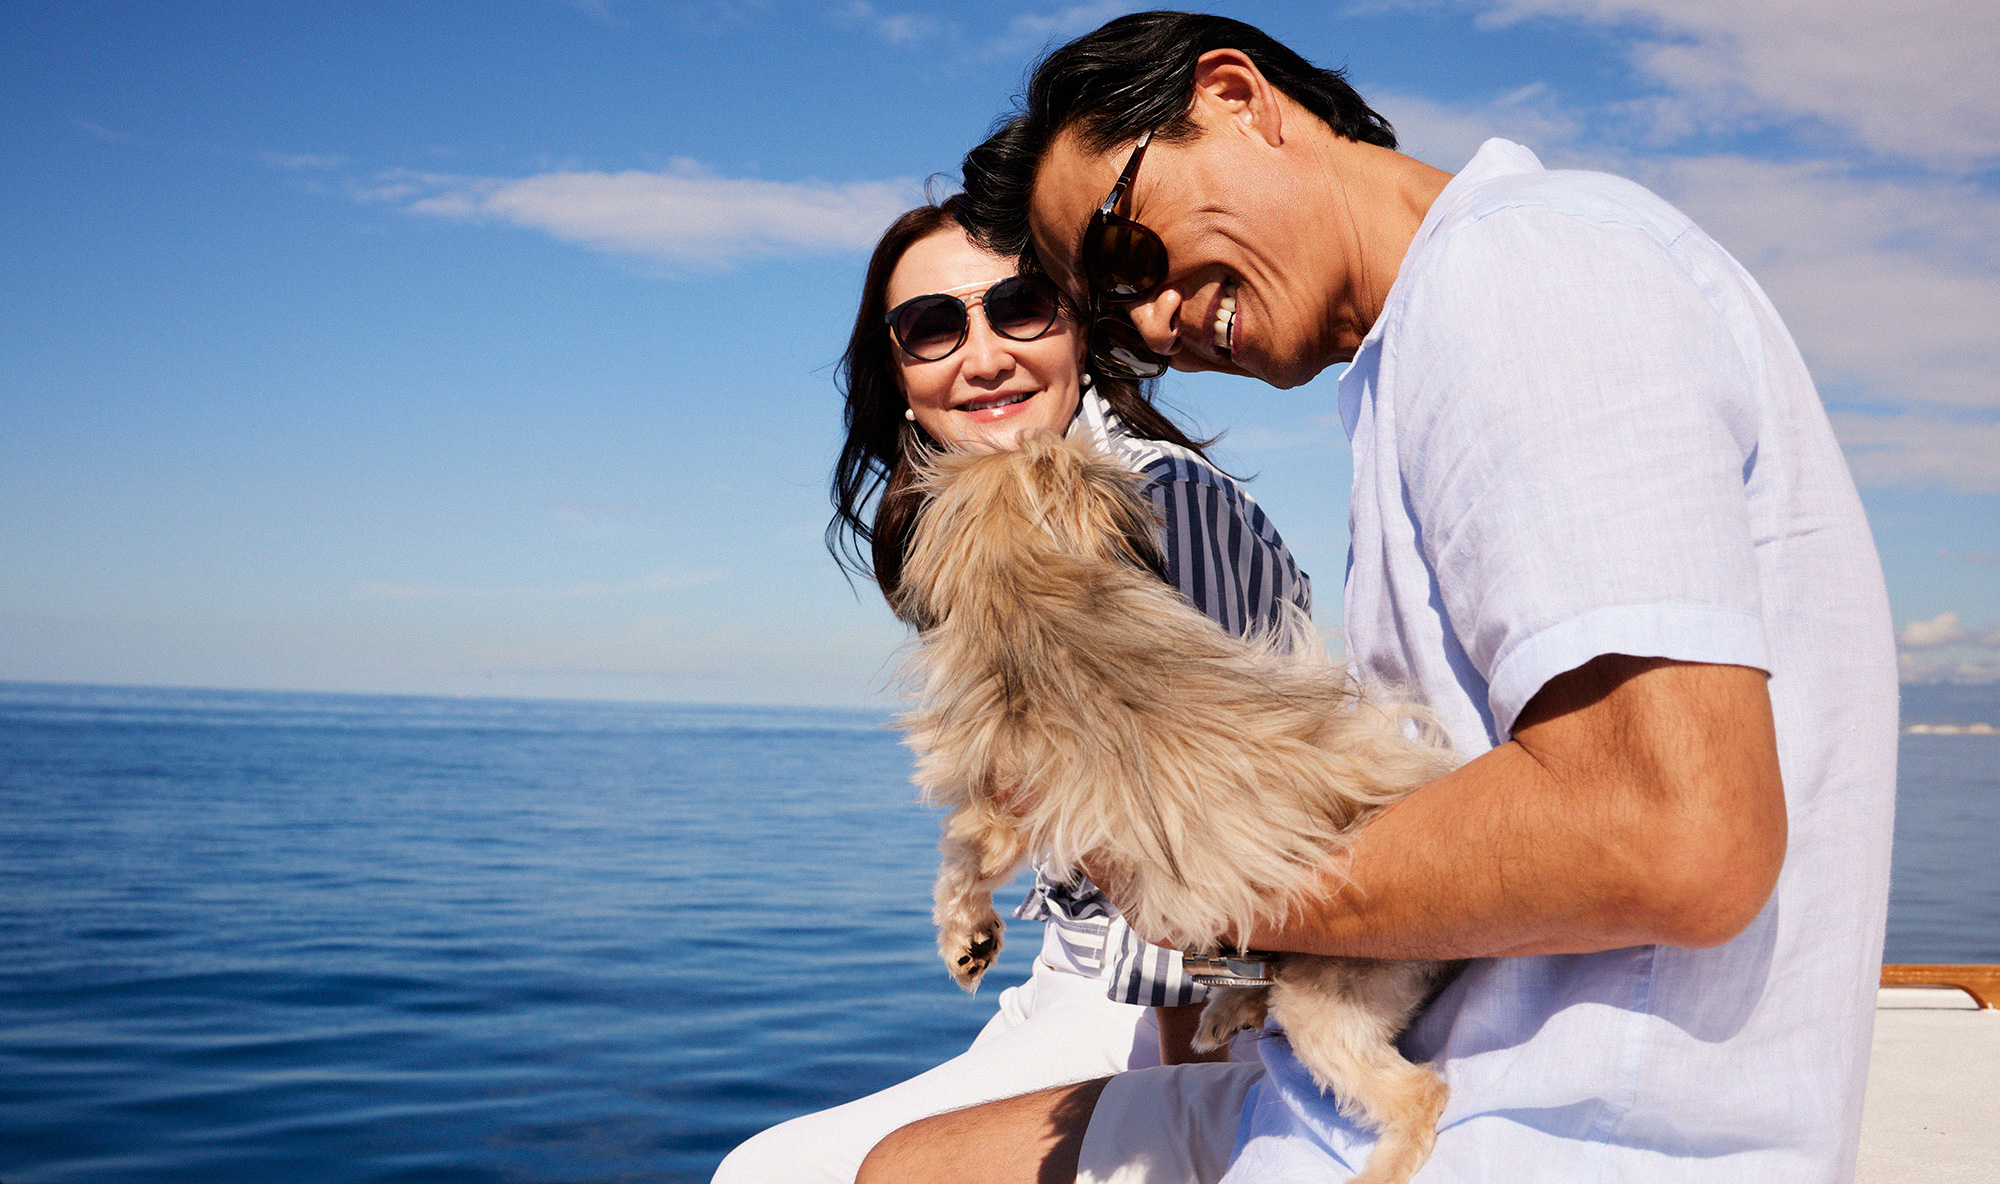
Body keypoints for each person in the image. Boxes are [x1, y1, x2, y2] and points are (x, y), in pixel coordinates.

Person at [858, 12, 1897, 1184]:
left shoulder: (1523, 276)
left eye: (1127, 257)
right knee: (909, 1164)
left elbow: (1673, 830)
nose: (1145, 321)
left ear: (1237, 99)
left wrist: (1186, 877)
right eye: (1105, 311)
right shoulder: (1426, 345)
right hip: (1387, 1074)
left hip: (1541, 1132)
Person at [711, 197, 1310, 1184]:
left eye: (1019, 306)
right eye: (933, 327)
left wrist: (1212, 1106)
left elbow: (1215, 842)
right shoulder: (997, 529)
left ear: (1078, 329)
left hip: (1206, 1004)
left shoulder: (1155, 501)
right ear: (900, 375)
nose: (981, 354)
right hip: (1072, 982)